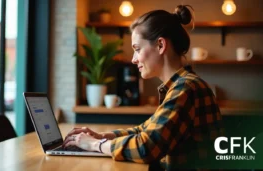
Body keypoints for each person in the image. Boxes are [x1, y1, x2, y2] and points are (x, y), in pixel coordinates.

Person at [63, 4, 224, 170]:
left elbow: (146, 147)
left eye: (137, 49)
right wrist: (103, 136)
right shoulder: (180, 85)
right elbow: (145, 130)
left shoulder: (186, 88)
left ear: (161, 45)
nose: (133, 59)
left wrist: (97, 144)